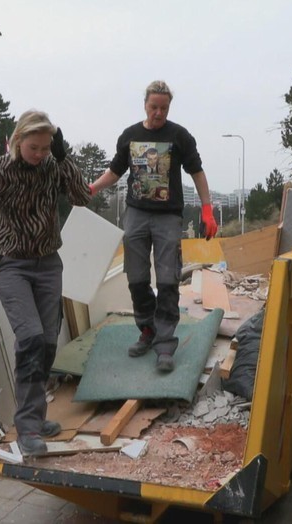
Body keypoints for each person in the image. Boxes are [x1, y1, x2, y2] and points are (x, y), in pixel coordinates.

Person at [0, 110, 91, 457]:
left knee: (48, 346)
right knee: (30, 338)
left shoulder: (53, 166)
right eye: (33, 147)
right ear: (16, 141)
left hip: (48, 265)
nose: (39, 154)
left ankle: (35, 417)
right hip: (12, 266)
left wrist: (64, 157)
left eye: (45, 147)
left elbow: (82, 198)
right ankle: (26, 430)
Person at [89, 80, 218, 373]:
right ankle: (147, 329)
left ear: (168, 107)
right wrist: (93, 188)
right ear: (145, 105)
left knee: (168, 279)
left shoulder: (179, 136)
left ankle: (165, 344)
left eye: (164, 108)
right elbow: (114, 171)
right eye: (153, 107)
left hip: (168, 216)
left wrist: (208, 209)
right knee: (136, 278)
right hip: (136, 214)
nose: (158, 113)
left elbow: (197, 172)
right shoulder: (130, 136)